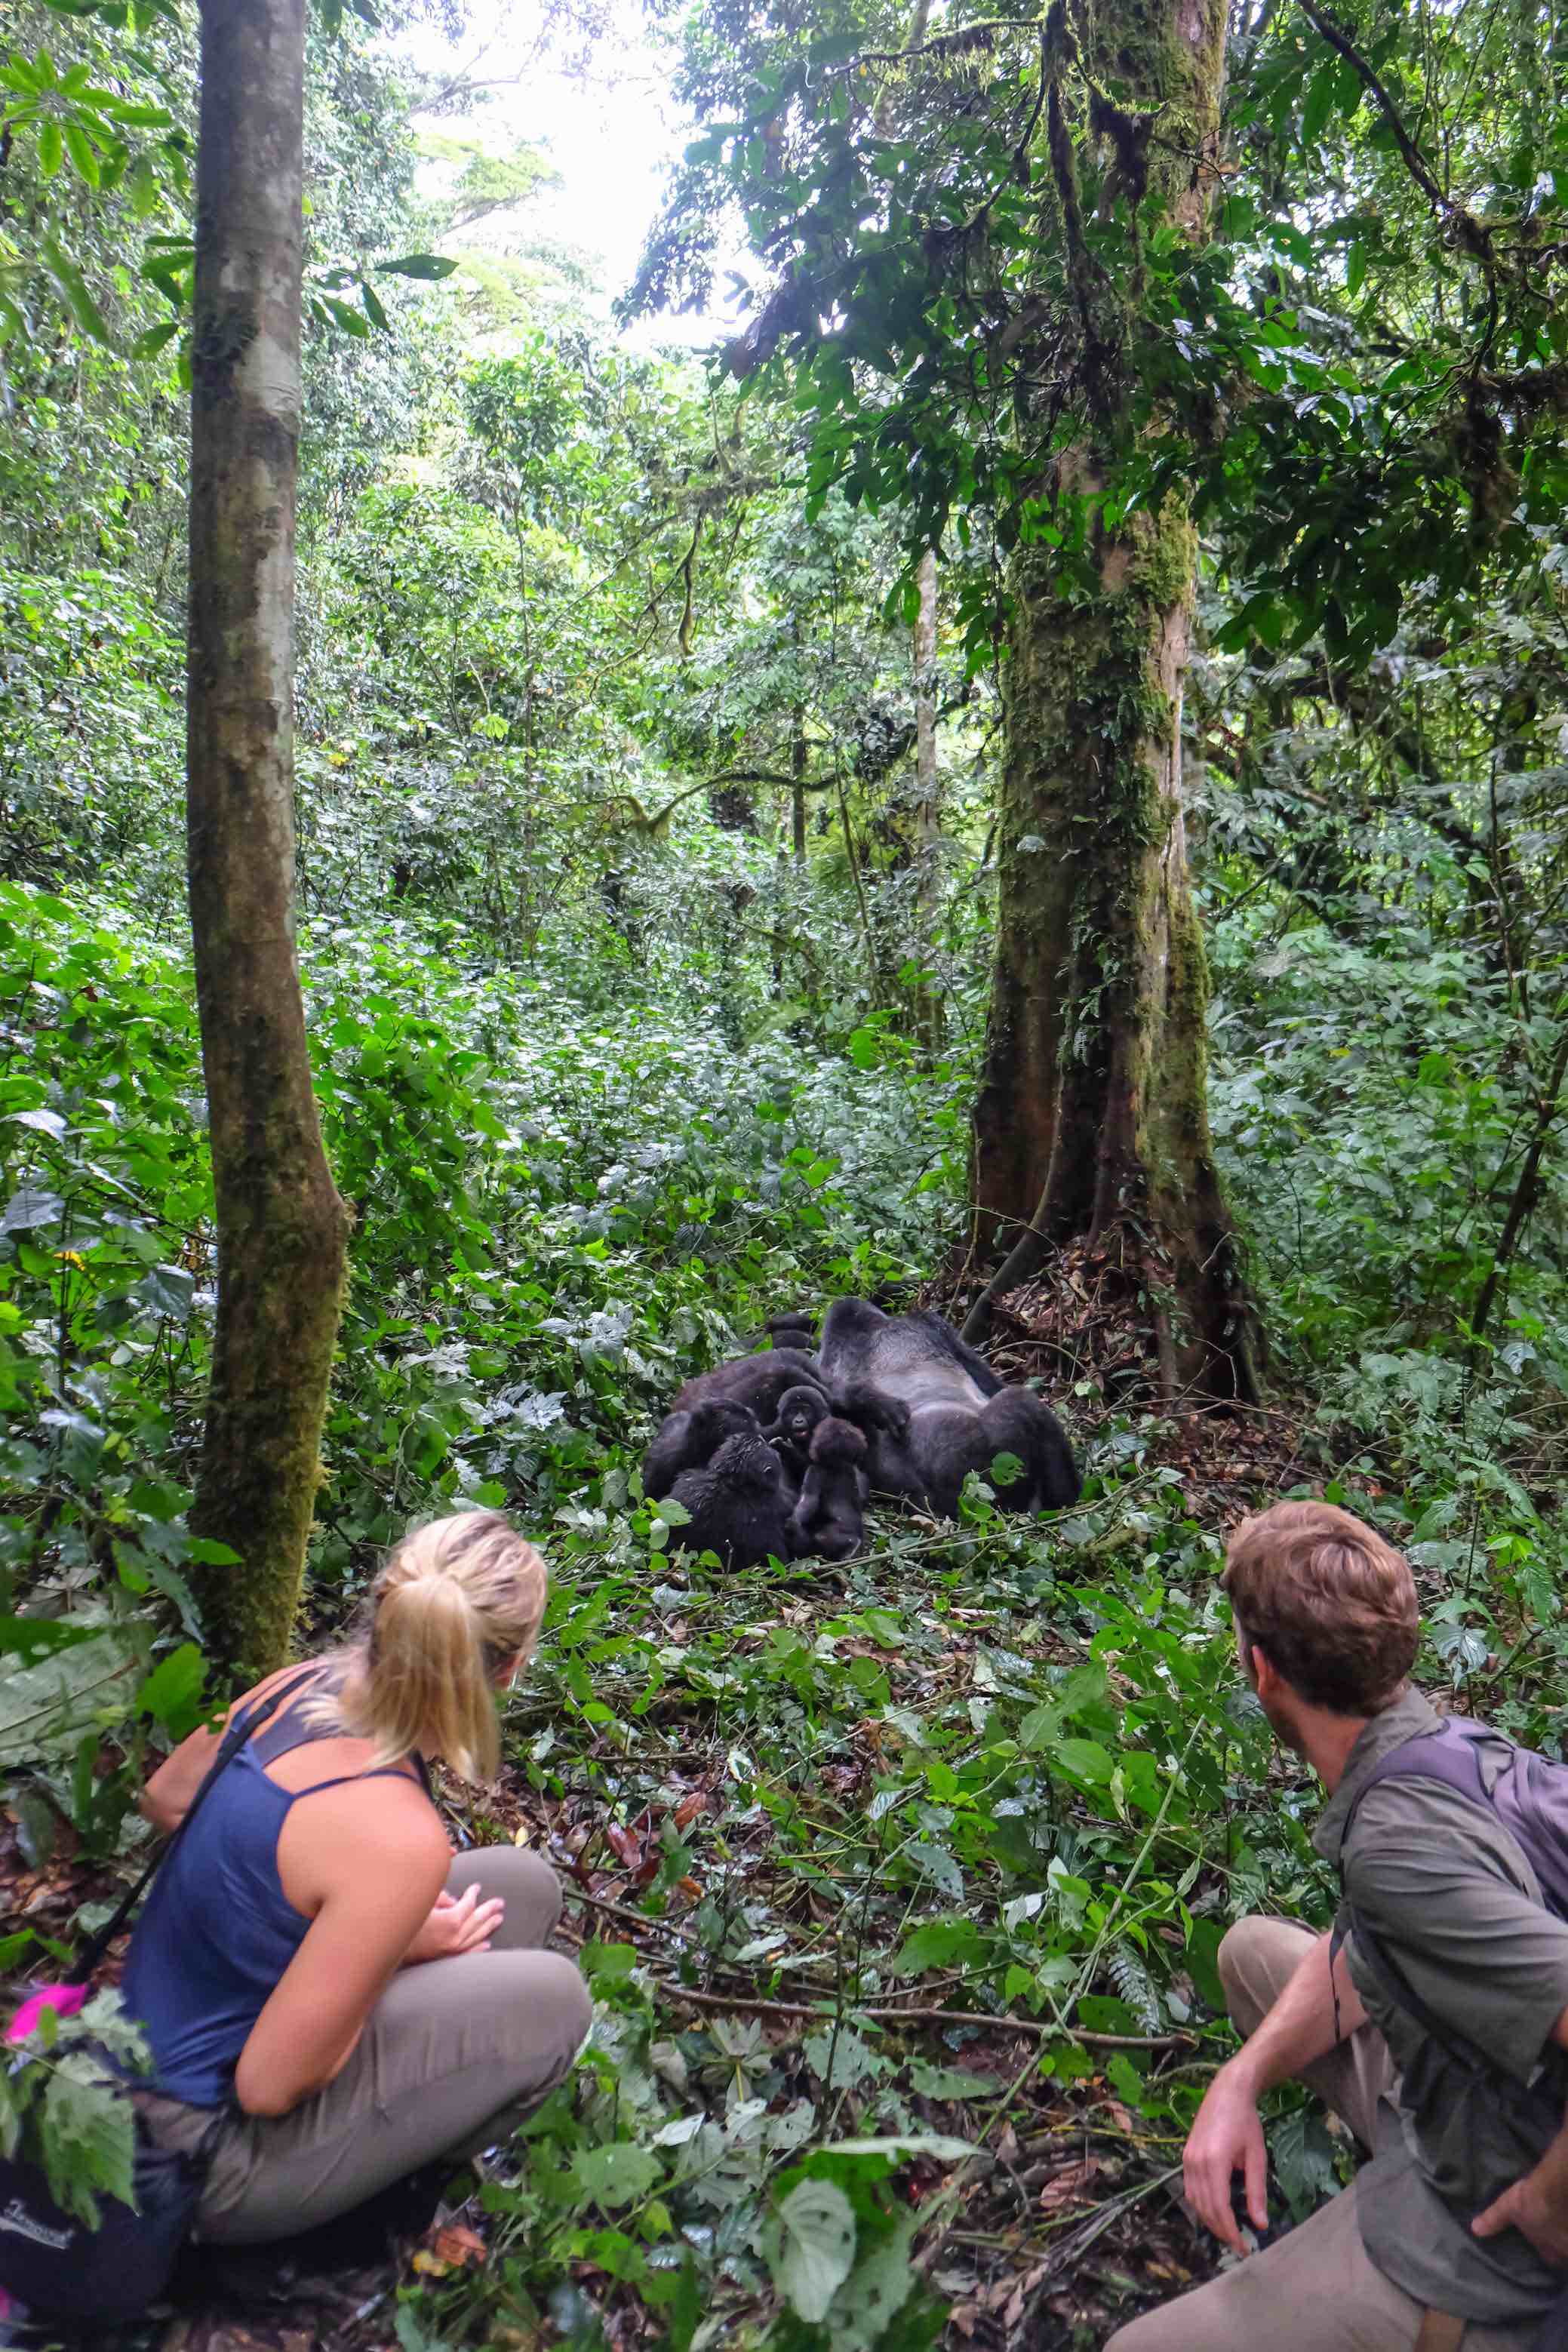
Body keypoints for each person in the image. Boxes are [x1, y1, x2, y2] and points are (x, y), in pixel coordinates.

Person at [1106, 1500, 1568, 2352]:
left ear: (1262, 1672)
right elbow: (1384, 1938)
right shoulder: (1445, 1748)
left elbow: (1416, 1899)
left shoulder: (1399, 1851)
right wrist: (1239, 2081)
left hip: (1488, 2250)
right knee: (1251, 1954)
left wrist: (1548, 2200)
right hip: (1474, 2103)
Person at [121, 1509, 592, 2246]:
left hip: (152, 2036)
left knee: (520, 1889)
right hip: (197, 2156)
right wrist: (392, 1939)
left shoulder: (298, 1685)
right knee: (557, 2002)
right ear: (506, 1670)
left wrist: (291, 1909)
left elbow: (166, 1797)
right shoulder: (400, 1840)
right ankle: (367, 2207)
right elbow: (268, 2086)